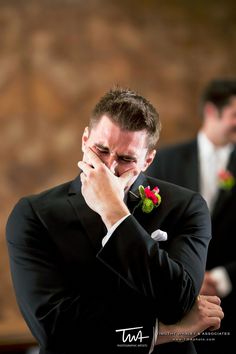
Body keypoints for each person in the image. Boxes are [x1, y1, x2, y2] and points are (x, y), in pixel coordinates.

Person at [6, 87, 223, 354]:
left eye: (125, 159)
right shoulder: (34, 214)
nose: (108, 168)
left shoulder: (186, 207)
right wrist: (161, 331)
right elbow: (55, 331)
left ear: (147, 160)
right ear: (85, 140)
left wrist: (115, 213)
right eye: (101, 149)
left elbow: (176, 302)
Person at [146, 79, 236, 353]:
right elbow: (148, 226)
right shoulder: (165, 161)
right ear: (212, 112)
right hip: (176, 309)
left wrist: (222, 278)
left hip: (230, 304)